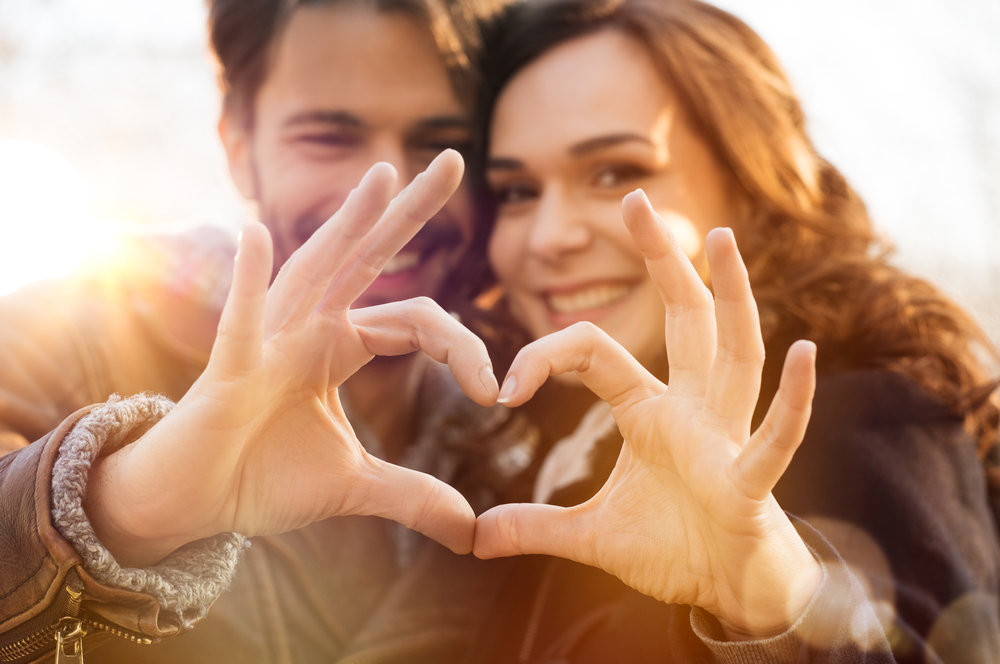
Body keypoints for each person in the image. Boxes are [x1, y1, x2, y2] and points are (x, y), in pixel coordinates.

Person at [458, 0, 1000, 661]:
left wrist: (774, 616)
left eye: (615, 173)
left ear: (750, 179)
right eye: (517, 191)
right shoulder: (547, 450)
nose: (548, 238)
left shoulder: (857, 424)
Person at [0, 1, 515, 662]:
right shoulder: (68, 330)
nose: (387, 187)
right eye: (330, 137)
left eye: (440, 145)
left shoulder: (525, 416)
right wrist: (121, 508)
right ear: (239, 149)